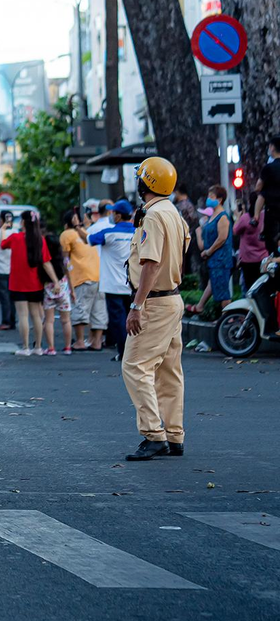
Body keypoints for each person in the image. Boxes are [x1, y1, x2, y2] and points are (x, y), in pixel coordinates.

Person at [122, 157, 189, 461]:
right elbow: (182, 250)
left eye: (140, 177)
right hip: (172, 299)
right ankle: (174, 436)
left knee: (135, 366)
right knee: (168, 371)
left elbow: (150, 263)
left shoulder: (153, 216)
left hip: (155, 302)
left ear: (146, 183)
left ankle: (154, 434)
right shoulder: (172, 212)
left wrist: (137, 305)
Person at [1, 210, 56, 356]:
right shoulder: (40, 240)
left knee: (23, 316)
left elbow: (2, 244)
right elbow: (46, 263)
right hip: (35, 283)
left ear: (23, 222)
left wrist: (2, 229)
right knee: (36, 316)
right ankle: (38, 347)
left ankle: (25, 347)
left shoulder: (15, 238)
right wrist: (56, 281)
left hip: (18, 284)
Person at [91, 200, 138, 361]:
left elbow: (90, 238)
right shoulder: (137, 233)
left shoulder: (108, 234)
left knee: (118, 322)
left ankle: (125, 353)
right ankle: (131, 352)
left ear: (118, 215)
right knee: (132, 320)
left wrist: (77, 227)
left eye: (113, 213)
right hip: (132, 285)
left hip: (113, 286)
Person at [61, 207, 105, 351]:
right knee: (98, 310)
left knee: (79, 308)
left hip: (81, 276)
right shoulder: (87, 233)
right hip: (98, 275)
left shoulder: (66, 235)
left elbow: (65, 259)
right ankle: (96, 342)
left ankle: (79, 341)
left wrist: (67, 279)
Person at [187, 185, 234, 314]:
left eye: (211, 196)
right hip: (213, 261)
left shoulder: (222, 217)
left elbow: (222, 238)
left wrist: (209, 251)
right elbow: (204, 244)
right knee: (214, 285)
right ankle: (201, 307)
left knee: (223, 293)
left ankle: (227, 320)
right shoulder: (211, 217)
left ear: (219, 200)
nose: (208, 199)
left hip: (221, 260)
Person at [42, 231, 72, 355]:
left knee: (49, 320)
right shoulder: (63, 259)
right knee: (66, 320)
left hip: (48, 289)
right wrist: (72, 290)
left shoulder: (43, 259)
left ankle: (51, 348)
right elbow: (69, 271)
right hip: (63, 289)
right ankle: (68, 347)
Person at [235, 199, 267, 291]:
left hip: (248, 260)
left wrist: (238, 217)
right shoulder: (265, 216)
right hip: (264, 259)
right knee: (263, 287)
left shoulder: (245, 218)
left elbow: (235, 230)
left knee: (250, 288)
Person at [172, 184, 200, 277]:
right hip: (188, 237)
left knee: (184, 262)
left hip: (183, 238)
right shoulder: (189, 204)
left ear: (178, 192)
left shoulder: (182, 206)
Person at [258, 136, 280, 253]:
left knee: (272, 244)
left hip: (272, 211)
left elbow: (258, 186)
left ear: (272, 147)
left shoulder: (268, 168)